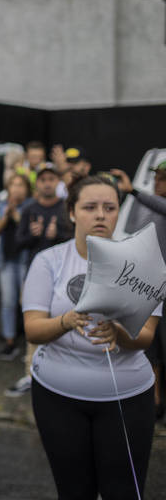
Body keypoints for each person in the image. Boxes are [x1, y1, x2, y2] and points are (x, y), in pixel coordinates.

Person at [23, 175, 159, 499]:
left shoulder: (143, 261)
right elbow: (33, 329)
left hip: (127, 397)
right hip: (58, 398)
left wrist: (120, 333)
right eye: (90, 207)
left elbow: (147, 336)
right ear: (71, 212)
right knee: (74, 491)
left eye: (109, 207)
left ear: (118, 212)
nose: (100, 214)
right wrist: (66, 321)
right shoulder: (49, 261)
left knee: (123, 490)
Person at [6, 163, 73, 396]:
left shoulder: (66, 209)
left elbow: (74, 240)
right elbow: (18, 241)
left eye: (51, 179)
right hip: (34, 276)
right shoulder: (29, 209)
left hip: (64, 276)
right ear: (38, 183)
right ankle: (30, 373)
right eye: (43, 179)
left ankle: (58, 373)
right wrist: (33, 236)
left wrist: (58, 236)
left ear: (57, 182)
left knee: (61, 324)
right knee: (34, 325)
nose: (47, 183)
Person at [113, 164, 166, 419]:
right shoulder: (147, 206)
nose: (157, 183)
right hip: (149, 287)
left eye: (163, 179)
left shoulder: (152, 203)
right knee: (150, 345)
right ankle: (154, 402)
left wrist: (133, 190)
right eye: (155, 177)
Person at [0, 174, 32, 360]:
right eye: (13, 185)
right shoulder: (1, 206)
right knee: (8, 301)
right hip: (5, 261)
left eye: (20, 185)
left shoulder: (32, 207)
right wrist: (6, 215)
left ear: (27, 189)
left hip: (25, 261)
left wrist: (17, 217)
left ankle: (31, 342)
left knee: (27, 303)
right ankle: (9, 341)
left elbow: (32, 234)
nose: (16, 189)